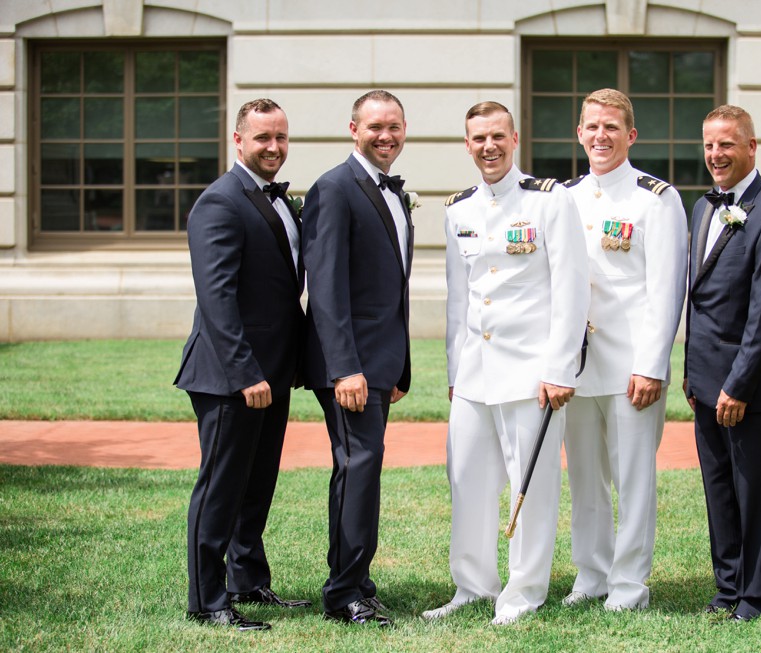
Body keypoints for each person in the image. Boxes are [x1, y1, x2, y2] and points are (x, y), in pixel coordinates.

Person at [423, 101, 589, 626]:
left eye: (497, 136)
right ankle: (472, 587)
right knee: (466, 478)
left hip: (531, 371)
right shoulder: (459, 210)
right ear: (467, 144)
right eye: (478, 139)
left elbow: (571, 289)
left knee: (530, 485)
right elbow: (458, 300)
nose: (488, 147)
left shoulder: (549, 201)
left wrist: (561, 367)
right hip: (475, 371)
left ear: (514, 138)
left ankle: (523, 592)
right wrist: (455, 373)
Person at [175, 98, 311, 632]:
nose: (273, 147)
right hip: (230, 375)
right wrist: (244, 372)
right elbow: (217, 298)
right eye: (262, 139)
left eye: (280, 137)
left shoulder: (275, 200)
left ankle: (247, 581)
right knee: (221, 486)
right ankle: (208, 600)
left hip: (271, 372)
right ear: (239, 140)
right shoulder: (219, 203)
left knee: (257, 483)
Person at [560, 89, 687, 611]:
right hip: (576, 365)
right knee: (585, 477)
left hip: (632, 364)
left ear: (631, 135)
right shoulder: (562, 197)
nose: (600, 136)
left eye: (611, 127)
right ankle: (591, 575)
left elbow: (666, 287)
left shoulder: (655, 198)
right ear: (579, 133)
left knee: (633, 478)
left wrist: (652, 364)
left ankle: (629, 584)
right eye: (592, 126)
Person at [683, 104, 761, 622]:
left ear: (751, 147)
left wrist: (738, 386)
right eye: (710, 144)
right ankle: (727, 588)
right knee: (719, 491)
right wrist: (693, 375)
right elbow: (701, 300)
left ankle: (757, 596)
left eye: (727, 144)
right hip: (706, 382)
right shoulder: (703, 209)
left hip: (751, 388)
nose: (716, 154)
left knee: (756, 495)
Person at [302, 90, 413, 627]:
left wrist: (398, 368)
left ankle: (359, 582)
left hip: (379, 364)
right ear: (353, 129)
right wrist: (346, 367)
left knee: (364, 470)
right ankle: (344, 594)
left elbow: (392, 289)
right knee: (357, 468)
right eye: (374, 127)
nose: (385, 135)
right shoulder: (333, 188)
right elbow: (324, 289)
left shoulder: (391, 191)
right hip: (348, 367)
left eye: (393, 126)